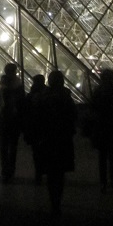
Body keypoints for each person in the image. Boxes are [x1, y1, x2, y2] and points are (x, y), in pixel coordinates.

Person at [35, 70, 77, 216]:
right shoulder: (66, 97)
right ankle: (57, 201)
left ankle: (53, 200)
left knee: (51, 173)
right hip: (63, 139)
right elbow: (73, 117)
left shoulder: (43, 97)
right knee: (59, 173)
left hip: (47, 139)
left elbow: (36, 119)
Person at [0, 63, 26, 183]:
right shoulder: (19, 85)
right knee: (13, 147)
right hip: (15, 120)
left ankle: (4, 171)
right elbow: (23, 104)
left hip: (2, 119)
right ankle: (11, 170)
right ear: (15, 71)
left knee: (3, 147)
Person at [23, 74, 46, 184]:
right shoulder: (47, 94)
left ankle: (38, 172)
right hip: (44, 127)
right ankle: (42, 171)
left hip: (34, 127)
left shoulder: (31, 95)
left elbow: (25, 111)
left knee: (36, 152)